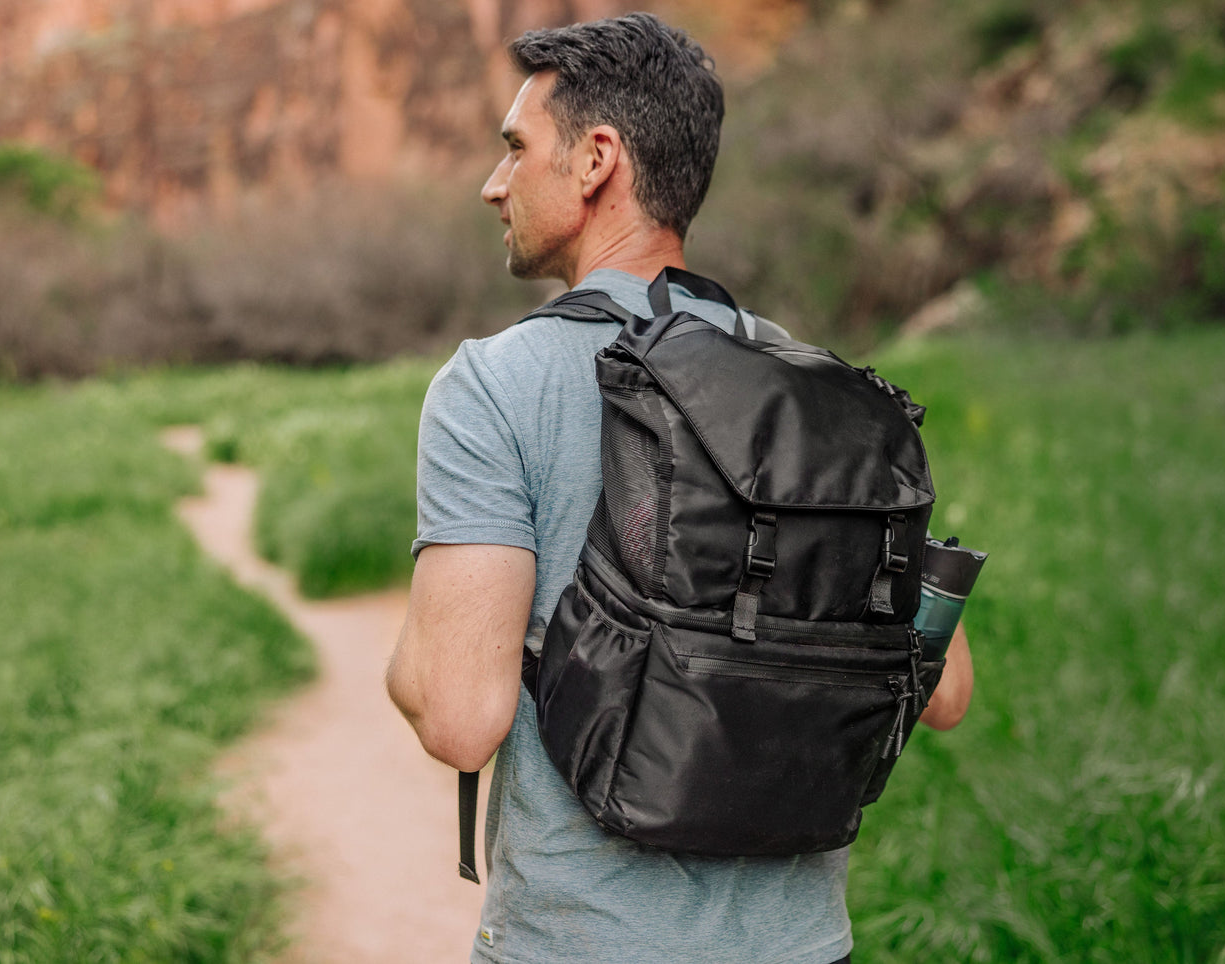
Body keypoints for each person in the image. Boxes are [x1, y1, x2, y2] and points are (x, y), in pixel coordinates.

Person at [386, 13, 974, 963]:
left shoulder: (493, 383)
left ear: (596, 160)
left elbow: (459, 720)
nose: (493, 184)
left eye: (515, 149)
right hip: (804, 943)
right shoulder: (821, 385)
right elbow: (943, 693)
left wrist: (408, 662)